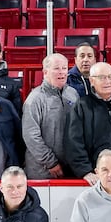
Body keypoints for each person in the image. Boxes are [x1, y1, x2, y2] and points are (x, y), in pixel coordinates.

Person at [67, 62, 111, 184]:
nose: (107, 81)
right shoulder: (82, 106)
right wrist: (85, 171)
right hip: (94, 176)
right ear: (92, 81)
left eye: (110, 77)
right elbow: (74, 142)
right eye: (102, 77)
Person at [22, 52, 73, 180]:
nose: (61, 72)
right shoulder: (35, 99)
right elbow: (31, 136)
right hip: (43, 171)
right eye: (56, 68)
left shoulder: (73, 94)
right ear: (45, 72)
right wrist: (50, 162)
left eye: (64, 68)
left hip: (70, 167)